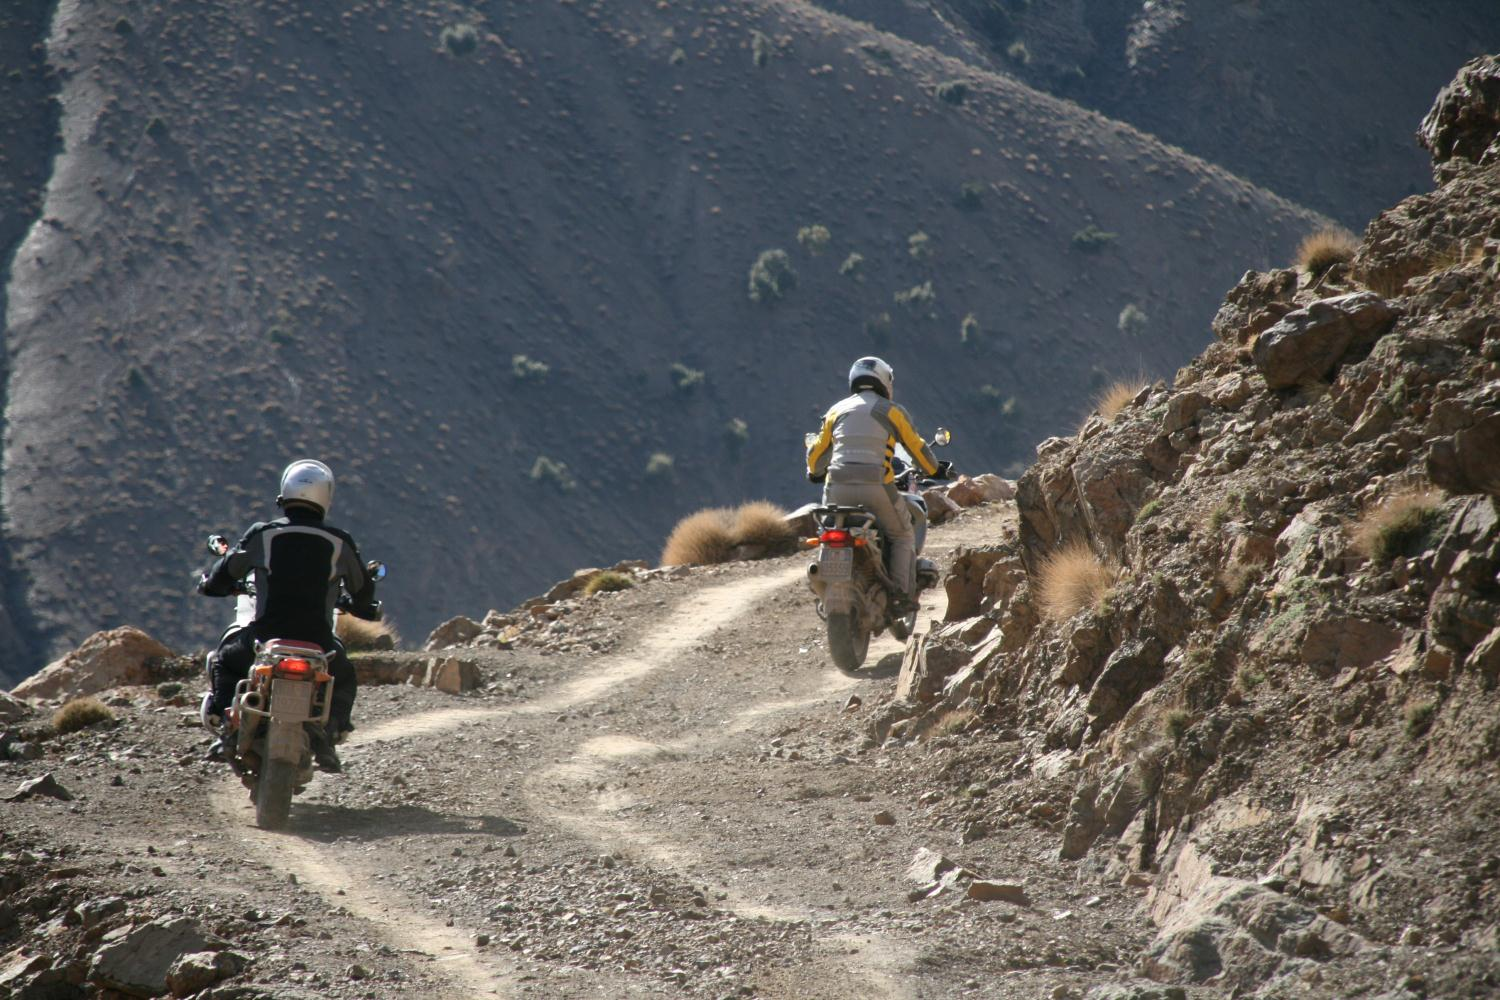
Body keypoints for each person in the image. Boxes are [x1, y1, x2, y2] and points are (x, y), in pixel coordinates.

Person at [197, 459, 379, 772]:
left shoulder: (264, 535)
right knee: (345, 675)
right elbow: (363, 590)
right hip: (319, 642)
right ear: (325, 497)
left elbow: (227, 570)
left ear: (285, 491)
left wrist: (213, 584)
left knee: (224, 660)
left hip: (265, 637)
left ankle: (227, 722)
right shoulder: (339, 542)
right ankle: (329, 734)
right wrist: (365, 606)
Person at [806, 357, 951, 610]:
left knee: (829, 530)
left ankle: (826, 581)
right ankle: (900, 597)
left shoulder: (835, 411)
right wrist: (935, 469)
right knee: (902, 534)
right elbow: (916, 447)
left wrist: (814, 472)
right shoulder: (891, 411)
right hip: (876, 486)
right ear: (885, 381)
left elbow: (817, 455)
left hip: (836, 487)